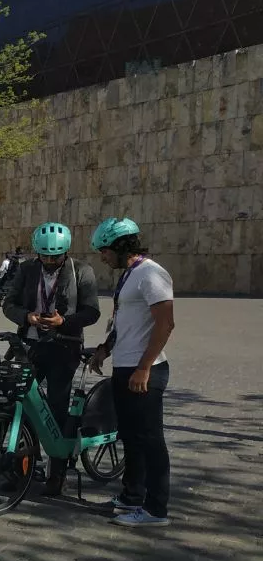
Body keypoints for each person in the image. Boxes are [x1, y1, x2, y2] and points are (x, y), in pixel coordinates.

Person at [88, 217, 175, 528]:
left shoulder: (151, 274)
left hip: (145, 371)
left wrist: (144, 367)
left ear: (122, 247)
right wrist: (104, 349)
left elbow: (165, 323)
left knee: (150, 440)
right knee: (131, 438)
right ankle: (131, 497)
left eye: (105, 250)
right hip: (126, 367)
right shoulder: (130, 275)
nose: (103, 256)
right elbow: (123, 321)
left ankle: (155, 510)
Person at [2, 222, 100, 495]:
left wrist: (64, 322)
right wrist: (26, 317)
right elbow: (8, 303)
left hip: (63, 346)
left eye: (55, 257)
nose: (49, 261)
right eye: (44, 256)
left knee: (56, 408)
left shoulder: (81, 271)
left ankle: (57, 474)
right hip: (29, 344)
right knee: (18, 407)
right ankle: (20, 468)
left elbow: (92, 312)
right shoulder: (26, 269)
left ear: (65, 253)